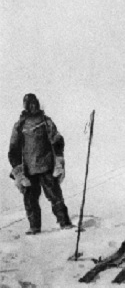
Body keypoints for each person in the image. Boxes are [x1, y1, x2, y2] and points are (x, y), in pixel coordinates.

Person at [8, 93, 73, 235]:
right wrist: (18, 171)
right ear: (25, 105)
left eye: (34, 103)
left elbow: (57, 139)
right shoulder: (20, 125)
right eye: (29, 103)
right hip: (28, 170)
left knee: (55, 196)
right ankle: (34, 227)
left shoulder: (45, 121)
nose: (33, 106)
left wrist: (59, 160)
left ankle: (65, 223)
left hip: (46, 166)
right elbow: (14, 149)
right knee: (30, 200)